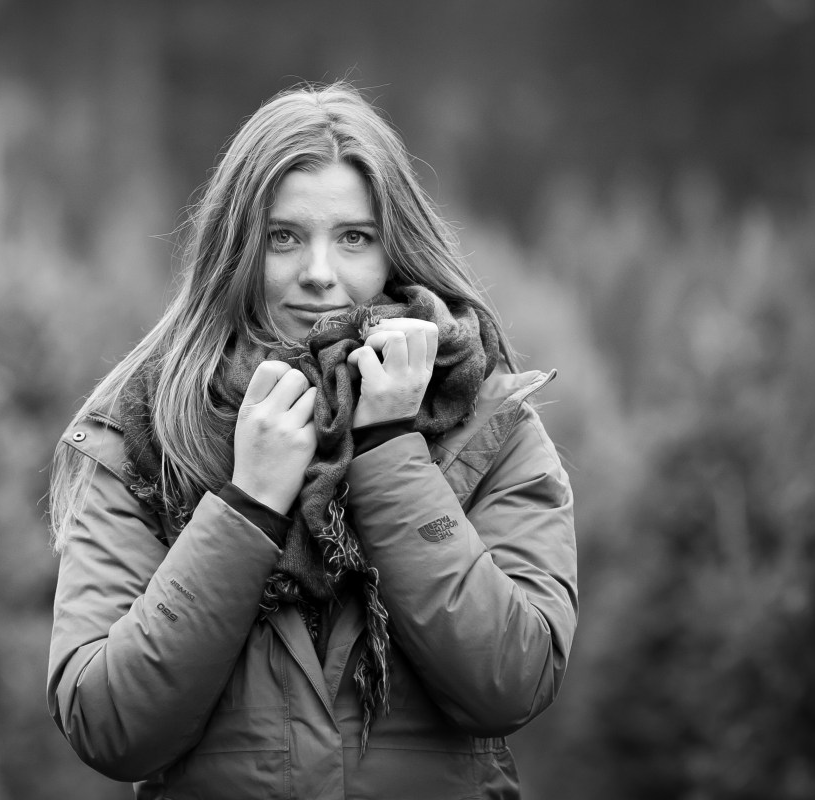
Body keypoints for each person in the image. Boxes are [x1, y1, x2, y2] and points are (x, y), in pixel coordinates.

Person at [47, 82, 577, 799]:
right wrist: (247, 504)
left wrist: (390, 450)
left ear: (395, 249)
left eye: (354, 237)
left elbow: (511, 682)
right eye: (284, 237)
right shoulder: (149, 434)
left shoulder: (486, 421)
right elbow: (109, 724)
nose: (319, 274)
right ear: (236, 250)